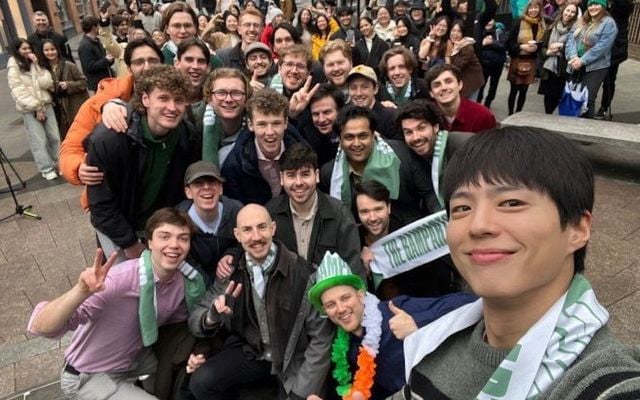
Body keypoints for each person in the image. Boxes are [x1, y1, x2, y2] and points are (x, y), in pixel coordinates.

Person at [393, 126, 640, 399]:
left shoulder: (603, 383)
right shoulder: (432, 348)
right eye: (462, 208)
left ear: (578, 229)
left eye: (511, 203)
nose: (479, 225)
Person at [27, 207, 206, 400]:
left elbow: (178, 328)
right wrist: (79, 292)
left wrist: (193, 353)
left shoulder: (181, 282)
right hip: (90, 374)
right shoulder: (118, 281)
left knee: (179, 367)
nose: (174, 244)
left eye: (183, 238)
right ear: (149, 242)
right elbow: (41, 326)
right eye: (164, 236)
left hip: (134, 358)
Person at [186, 204, 333, 399]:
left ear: (273, 228)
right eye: (247, 230)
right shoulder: (231, 272)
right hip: (253, 354)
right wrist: (212, 317)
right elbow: (196, 318)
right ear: (237, 235)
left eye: (262, 227)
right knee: (201, 382)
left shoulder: (305, 275)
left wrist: (301, 393)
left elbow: (321, 339)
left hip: (293, 362)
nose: (256, 237)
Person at [306, 252, 476, 399]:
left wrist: (418, 323)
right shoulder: (345, 349)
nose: (340, 309)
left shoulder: (395, 311)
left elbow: (470, 302)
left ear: (360, 295)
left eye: (345, 298)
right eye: (330, 305)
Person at [85, 65, 198, 264]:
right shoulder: (111, 138)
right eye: (163, 98)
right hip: (118, 228)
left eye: (179, 100)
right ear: (145, 99)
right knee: (123, 288)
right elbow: (101, 204)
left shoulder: (185, 135)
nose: (172, 107)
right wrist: (130, 243)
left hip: (157, 228)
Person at [59, 38, 163, 193]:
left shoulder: (174, 102)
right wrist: (78, 167)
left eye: (153, 60)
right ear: (129, 68)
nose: (147, 67)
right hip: (116, 193)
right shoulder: (98, 104)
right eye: (139, 62)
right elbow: (70, 149)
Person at [320, 105, 434, 226]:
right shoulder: (329, 173)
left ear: (373, 135)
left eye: (363, 136)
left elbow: (430, 195)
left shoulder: (401, 156)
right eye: (349, 137)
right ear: (340, 140)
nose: (357, 143)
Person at [266, 143, 365, 276]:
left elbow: (353, 267)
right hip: (286, 295)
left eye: (305, 174)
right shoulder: (270, 213)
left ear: (317, 175)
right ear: (281, 179)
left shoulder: (339, 214)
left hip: (330, 293)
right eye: (291, 175)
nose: (299, 182)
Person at [221, 88, 307, 205]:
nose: (270, 132)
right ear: (250, 125)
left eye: (276, 123)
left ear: (286, 123)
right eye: (262, 124)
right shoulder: (234, 165)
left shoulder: (305, 156)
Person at [177, 161, 243, 285]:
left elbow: (248, 243)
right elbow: (183, 261)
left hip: (234, 279)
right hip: (196, 285)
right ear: (188, 192)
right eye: (198, 183)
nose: (206, 187)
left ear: (221, 188)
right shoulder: (178, 222)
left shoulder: (237, 212)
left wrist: (232, 255)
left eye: (212, 182)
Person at [7, 38, 61, 181]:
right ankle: (46, 168)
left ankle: (59, 163)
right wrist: (36, 108)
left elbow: (47, 82)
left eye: (29, 48)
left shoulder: (35, 63)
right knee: (39, 140)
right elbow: (18, 91)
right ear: (17, 50)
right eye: (24, 49)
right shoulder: (13, 67)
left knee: (54, 137)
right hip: (30, 110)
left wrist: (37, 66)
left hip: (46, 104)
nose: (28, 51)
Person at [565, 0, 618, 118]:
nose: (593, 7)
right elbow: (570, 39)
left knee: (587, 99)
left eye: (597, 4)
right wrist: (573, 57)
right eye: (591, 4)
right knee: (572, 96)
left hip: (595, 66)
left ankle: (586, 128)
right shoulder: (582, 20)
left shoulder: (608, 23)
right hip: (575, 63)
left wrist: (582, 60)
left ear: (603, 6)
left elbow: (602, 47)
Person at [199, 68, 251, 167]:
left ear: (246, 99)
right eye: (221, 93)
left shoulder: (256, 126)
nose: (228, 99)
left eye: (236, 93)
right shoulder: (194, 124)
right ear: (209, 98)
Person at [39, 39, 89, 141]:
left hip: (73, 106)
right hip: (57, 109)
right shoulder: (43, 70)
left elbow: (83, 82)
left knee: (81, 135)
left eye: (52, 49)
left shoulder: (69, 65)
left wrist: (68, 85)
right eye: (46, 50)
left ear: (57, 50)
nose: (50, 52)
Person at [425, 64, 496, 133]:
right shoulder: (426, 116)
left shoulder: (483, 116)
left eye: (448, 81)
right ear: (431, 93)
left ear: (460, 85)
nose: (444, 88)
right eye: (437, 85)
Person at [505, 0, 546, 115]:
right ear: (527, 9)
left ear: (540, 9)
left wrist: (536, 48)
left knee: (524, 91)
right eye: (531, 8)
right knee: (514, 90)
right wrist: (522, 47)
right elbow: (508, 43)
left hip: (531, 60)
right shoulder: (518, 21)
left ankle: (518, 114)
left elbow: (542, 43)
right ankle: (510, 115)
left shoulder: (541, 23)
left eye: (536, 8)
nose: (533, 10)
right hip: (518, 59)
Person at [538, 4, 579, 114]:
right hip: (549, 66)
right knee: (548, 96)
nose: (568, 14)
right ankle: (548, 115)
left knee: (558, 95)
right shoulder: (552, 26)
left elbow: (576, 49)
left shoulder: (576, 30)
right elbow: (542, 46)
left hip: (563, 68)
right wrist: (547, 52)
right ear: (563, 11)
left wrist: (561, 47)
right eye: (567, 10)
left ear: (575, 15)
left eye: (572, 12)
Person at [595, 0, 632, 120]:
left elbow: (624, 5)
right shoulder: (600, 4)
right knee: (592, 78)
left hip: (614, 49)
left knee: (609, 80)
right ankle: (587, 104)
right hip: (596, 46)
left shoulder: (623, 6)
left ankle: (604, 107)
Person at [347, 65, 399, 140]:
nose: (358, 93)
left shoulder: (391, 117)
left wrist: (376, 138)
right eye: (353, 88)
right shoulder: (346, 117)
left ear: (375, 89)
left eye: (364, 87)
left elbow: (400, 147)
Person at [446, 19, 485, 100]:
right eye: (453, 30)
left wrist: (454, 53)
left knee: (469, 106)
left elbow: (457, 67)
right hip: (463, 80)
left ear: (463, 34)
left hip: (472, 81)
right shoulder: (452, 44)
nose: (455, 34)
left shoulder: (466, 46)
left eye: (459, 31)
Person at [216, 8, 264, 72]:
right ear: (239, 30)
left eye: (256, 25)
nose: (252, 29)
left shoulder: (267, 59)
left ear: (262, 30)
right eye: (247, 25)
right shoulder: (221, 57)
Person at [78, 16, 115, 92]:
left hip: (107, 80)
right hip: (99, 84)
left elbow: (102, 59)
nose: (99, 28)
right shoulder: (85, 46)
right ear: (93, 27)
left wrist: (110, 59)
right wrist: (105, 60)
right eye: (98, 26)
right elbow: (89, 67)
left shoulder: (96, 41)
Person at [477, 19, 507, 109]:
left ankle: (488, 103)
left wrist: (491, 43)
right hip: (484, 63)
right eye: (487, 20)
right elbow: (476, 46)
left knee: (493, 85)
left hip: (497, 64)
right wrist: (483, 43)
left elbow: (503, 46)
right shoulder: (479, 31)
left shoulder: (499, 32)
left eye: (491, 20)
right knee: (481, 84)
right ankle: (478, 102)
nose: (488, 22)